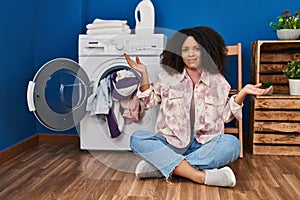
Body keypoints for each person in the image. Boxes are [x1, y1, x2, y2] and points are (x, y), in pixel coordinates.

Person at [124, 26, 272, 187]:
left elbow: (225, 116)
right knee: (137, 138)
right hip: (171, 143)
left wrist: (242, 93)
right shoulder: (168, 77)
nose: (191, 54)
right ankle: (199, 176)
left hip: (205, 145)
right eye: (185, 49)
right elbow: (148, 102)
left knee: (233, 145)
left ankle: (162, 167)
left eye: (196, 49)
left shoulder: (218, 81)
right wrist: (144, 75)